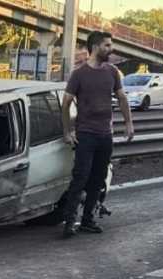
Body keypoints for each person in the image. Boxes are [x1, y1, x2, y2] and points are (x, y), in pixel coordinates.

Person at [59, 31, 134, 238]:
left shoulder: (112, 72)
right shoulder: (79, 73)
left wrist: (128, 123)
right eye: (107, 46)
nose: (111, 49)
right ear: (94, 47)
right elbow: (65, 103)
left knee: (98, 179)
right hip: (86, 134)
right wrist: (67, 131)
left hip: (105, 134)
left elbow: (122, 98)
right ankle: (69, 221)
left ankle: (87, 220)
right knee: (80, 177)